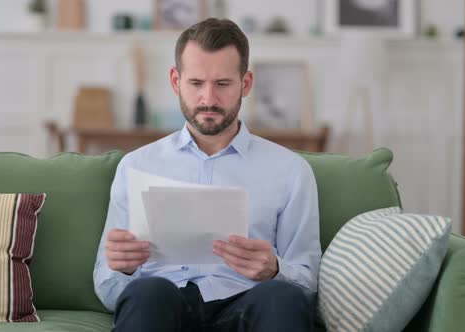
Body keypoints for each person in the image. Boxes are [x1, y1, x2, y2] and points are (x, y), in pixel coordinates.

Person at [93, 18, 321, 332]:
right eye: (196, 83)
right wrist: (124, 270)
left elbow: (308, 285)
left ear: (246, 83)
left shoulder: (291, 171)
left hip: (247, 306)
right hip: (162, 306)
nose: (209, 99)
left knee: (282, 297)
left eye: (223, 84)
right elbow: (107, 287)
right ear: (176, 81)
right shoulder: (136, 166)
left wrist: (275, 269)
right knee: (148, 293)